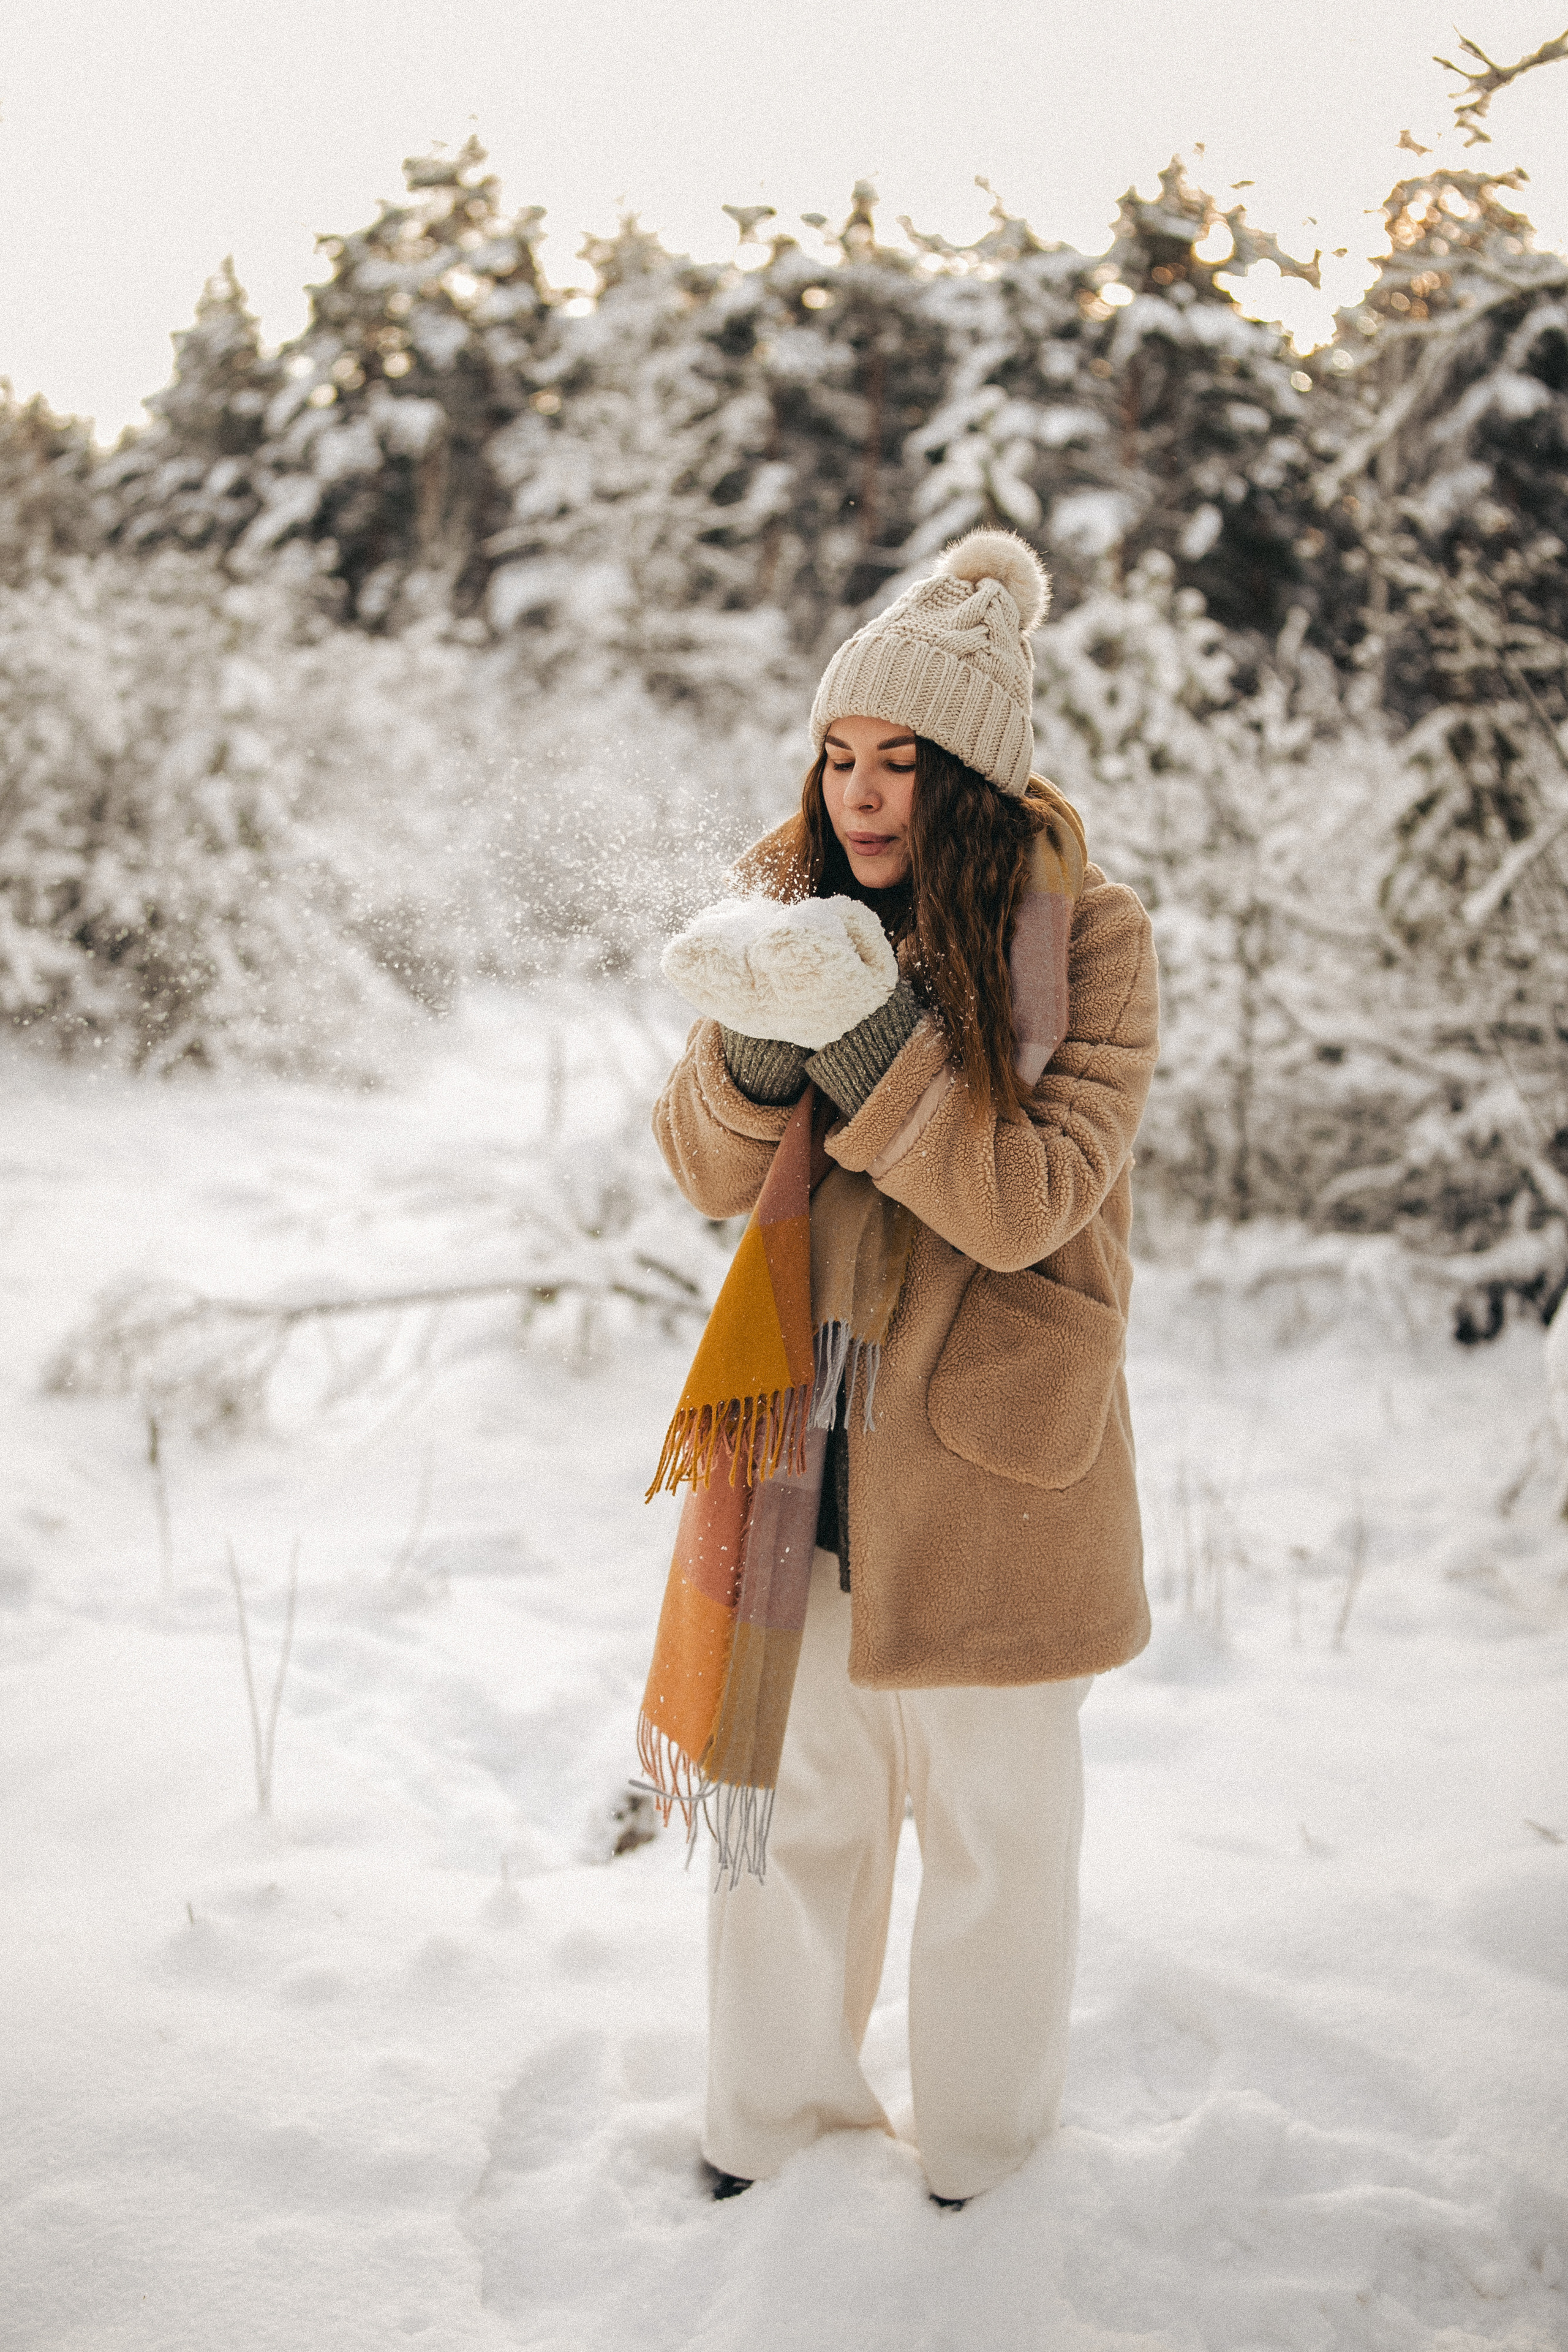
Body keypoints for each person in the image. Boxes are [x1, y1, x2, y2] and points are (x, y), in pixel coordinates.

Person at [644, 529, 1159, 2211]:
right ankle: (771, 2138)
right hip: (806, 1438)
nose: (864, 794)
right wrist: (747, 1046)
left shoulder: (1088, 943)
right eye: (842, 756)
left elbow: (1026, 1201)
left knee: (1000, 1842)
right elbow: (709, 1168)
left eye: (904, 762)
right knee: (793, 1817)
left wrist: (869, 1047)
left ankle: (987, 2174)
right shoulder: (783, 916)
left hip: (999, 1449)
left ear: (977, 778)